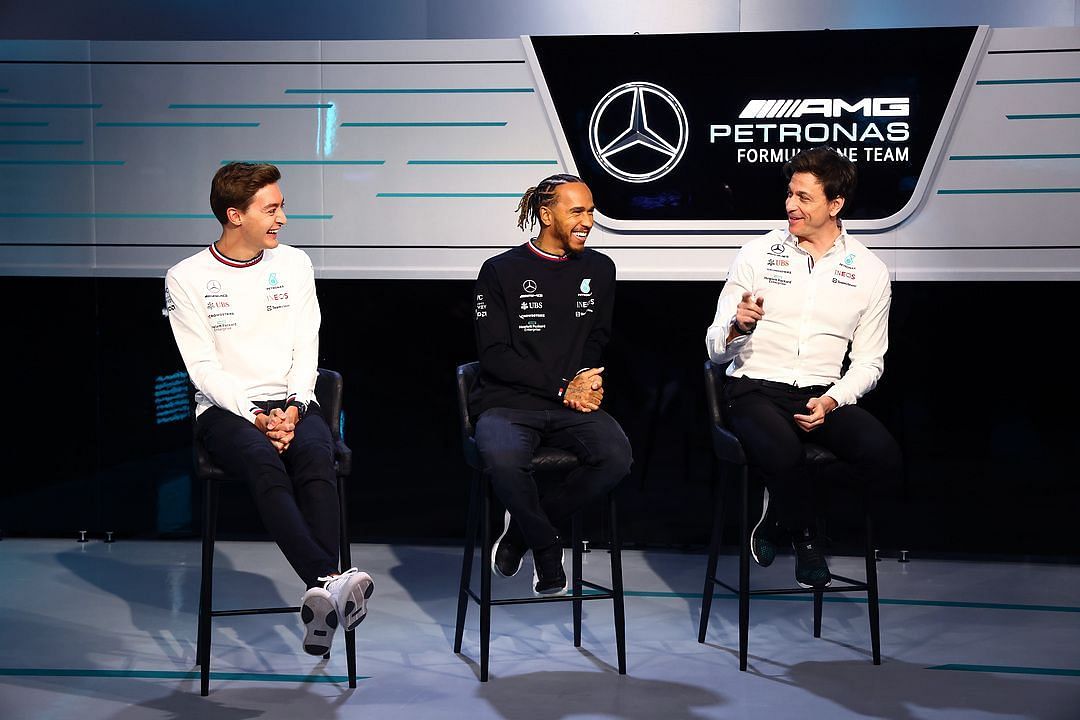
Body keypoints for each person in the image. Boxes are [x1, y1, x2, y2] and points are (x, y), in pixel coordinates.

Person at [165, 162, 373, 656]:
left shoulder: (295, 263)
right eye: (272, 208)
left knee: (318, 458)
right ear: (235, 215)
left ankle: (323, 599)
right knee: (262, 463)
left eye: (281, 206)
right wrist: (254, 416)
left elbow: (308, 346)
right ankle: (330, 581)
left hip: (293, 402)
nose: (282, 217)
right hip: (224, 411)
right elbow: (202, 368)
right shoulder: (186, 277)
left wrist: (296, 407)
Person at [705, 146, 902, 588]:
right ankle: (807, 537)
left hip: (821, 394)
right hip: (755, 389)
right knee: (785, 454)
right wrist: (738, 326)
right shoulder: (756, 254)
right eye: (790, 194)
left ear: (836, 204)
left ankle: (776, 519)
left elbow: (870, 361)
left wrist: (833, 400)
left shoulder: (870, 270)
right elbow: (715, 347)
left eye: (804, 198)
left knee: (883, 456)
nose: (791, 206)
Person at [470, 173, 633, 596]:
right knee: (504, 460)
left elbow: (598, 337)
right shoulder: (500, 270)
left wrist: (588, 380)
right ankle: (545, 547)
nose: (588, 220)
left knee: (616, 457)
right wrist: (563, 386)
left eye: (591, 211)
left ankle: (522, 533)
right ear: (546, 214)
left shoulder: (600, 268)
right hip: (508, 404)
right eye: (577, 210)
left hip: (570, 408)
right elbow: (495, 355)